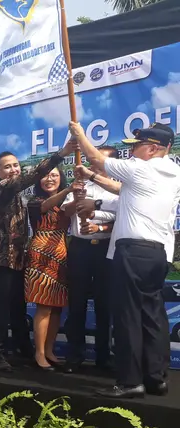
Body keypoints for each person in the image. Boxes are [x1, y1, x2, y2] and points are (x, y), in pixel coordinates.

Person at [69, 121, 180, 398]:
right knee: (152, 316)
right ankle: (155, 377)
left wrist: (79, 134)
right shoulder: (173, 173)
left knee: (128, 315)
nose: (132, 152)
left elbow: (96, 159)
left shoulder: (141, 168)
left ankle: (130, 381)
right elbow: (126, 196)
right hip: (157, 253)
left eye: (138, 146)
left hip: (132, 251)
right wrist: (95, 200)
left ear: (153, 148)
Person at [0, 142, 76, 372]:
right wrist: (62, 154)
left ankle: (18, 350)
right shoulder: (1, 189)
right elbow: (31, 178)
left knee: (16, 310)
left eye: (16, 165)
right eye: (7, 167)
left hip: (17, 260)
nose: (13, 169)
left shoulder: (19, 197)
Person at [63, 147, 120, 374]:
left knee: (104, 305)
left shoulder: (119, 188)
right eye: (92, 161)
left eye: (100, 161)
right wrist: (75, 197)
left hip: (106, 247)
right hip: (80, 248)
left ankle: (104, 356)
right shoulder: (81, 186)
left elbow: (124, 220)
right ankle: (74, 355)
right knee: (76, 303)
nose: (94, 164)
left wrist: (100, 227)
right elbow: (66, 212)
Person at [24, 167, 73, 371]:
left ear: (60, 178)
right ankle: (39, 353)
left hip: (61, 253)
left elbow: (72, 211)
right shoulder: (34, 201)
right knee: (44, 305)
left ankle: (50, 350)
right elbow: (46, 206)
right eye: (46, 175)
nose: (49, 179)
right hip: (40, 253)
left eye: (54, 175)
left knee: (57, 308)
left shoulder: (67, 201)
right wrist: (69, 189)